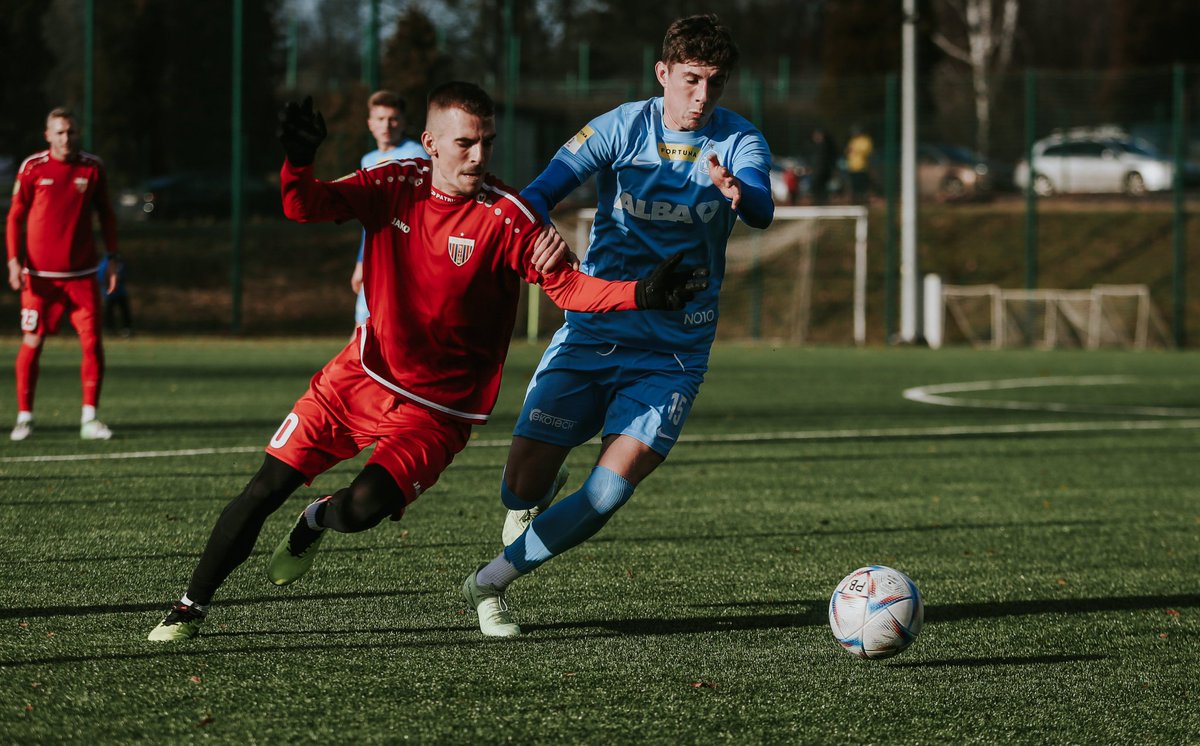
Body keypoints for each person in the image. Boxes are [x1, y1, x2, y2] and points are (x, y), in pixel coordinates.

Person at [146, 82, 707, 642]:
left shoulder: (509, 216)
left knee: (360, 511)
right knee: (264, 487)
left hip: (439, 412)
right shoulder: (391, 185)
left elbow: (569, 290)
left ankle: (316, 519)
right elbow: (303, 206)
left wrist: (642, 293)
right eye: (466, 143)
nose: (480, 156)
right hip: (359, 377)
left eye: (487, 141)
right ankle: (189, 607)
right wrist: (298, 161)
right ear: (430, 144)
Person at [463, 13, 774, 638]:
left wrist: (741, 193)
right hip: (596, 325)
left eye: (715, 82)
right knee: (520, 486)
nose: (702, 96)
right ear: (663, 73)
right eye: (690, 79)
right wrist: (514, 230)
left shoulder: (740, 142)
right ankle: (532, 503)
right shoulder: (619, 126)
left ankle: (490, 581)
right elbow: (546, 188)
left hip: (675, 348)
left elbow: (762, 205)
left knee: (610, 490)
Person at [6, 107, 119, 442]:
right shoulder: (32, 168)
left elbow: (107, 216)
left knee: (92, 344)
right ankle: (25, 417)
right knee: (33, 341)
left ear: (76, 132)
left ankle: (90, 418)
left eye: (70, 131)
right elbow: (15, 217)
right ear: (47, 135)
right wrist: (14, 261)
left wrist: (112, 258)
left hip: (83, 275)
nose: (65, 138)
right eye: (59, 132)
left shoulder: (92, 167)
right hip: (39, 277)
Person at [349, 90, 428, 330]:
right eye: (380, 119)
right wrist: (362, 260)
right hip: (377, 254)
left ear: (403, 122)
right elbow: (372, 217)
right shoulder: (368, 159)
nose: (387, 125)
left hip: (404, 257)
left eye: (393, 119)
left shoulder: (416, 155)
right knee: (363, 330)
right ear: (370, 124)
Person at [97, 253, 132, 336]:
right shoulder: (104, 264)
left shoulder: (119, 263)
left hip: (120, 292)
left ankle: (126, 329)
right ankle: (110, 329)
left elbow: (124, 275)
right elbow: (100, 277)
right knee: (109, 312)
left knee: (124, 311)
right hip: (110, 293)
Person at [845, 124, 873, 204]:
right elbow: (848, 151)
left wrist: (855, 150)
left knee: (863, 187)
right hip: (852, 167)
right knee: (854, 187)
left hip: (862, 167)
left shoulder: (865, 140)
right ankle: (856, 202)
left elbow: (866, 151)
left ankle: (864, 202)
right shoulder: (853, 141)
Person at [809, 128, 837, 205]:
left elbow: (824, 161)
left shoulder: (825, 146)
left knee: (819, 187)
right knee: (818, 188)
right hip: (820, 171)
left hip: (822, 171)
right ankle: (820, 203)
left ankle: (821, 203)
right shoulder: (817, 146)